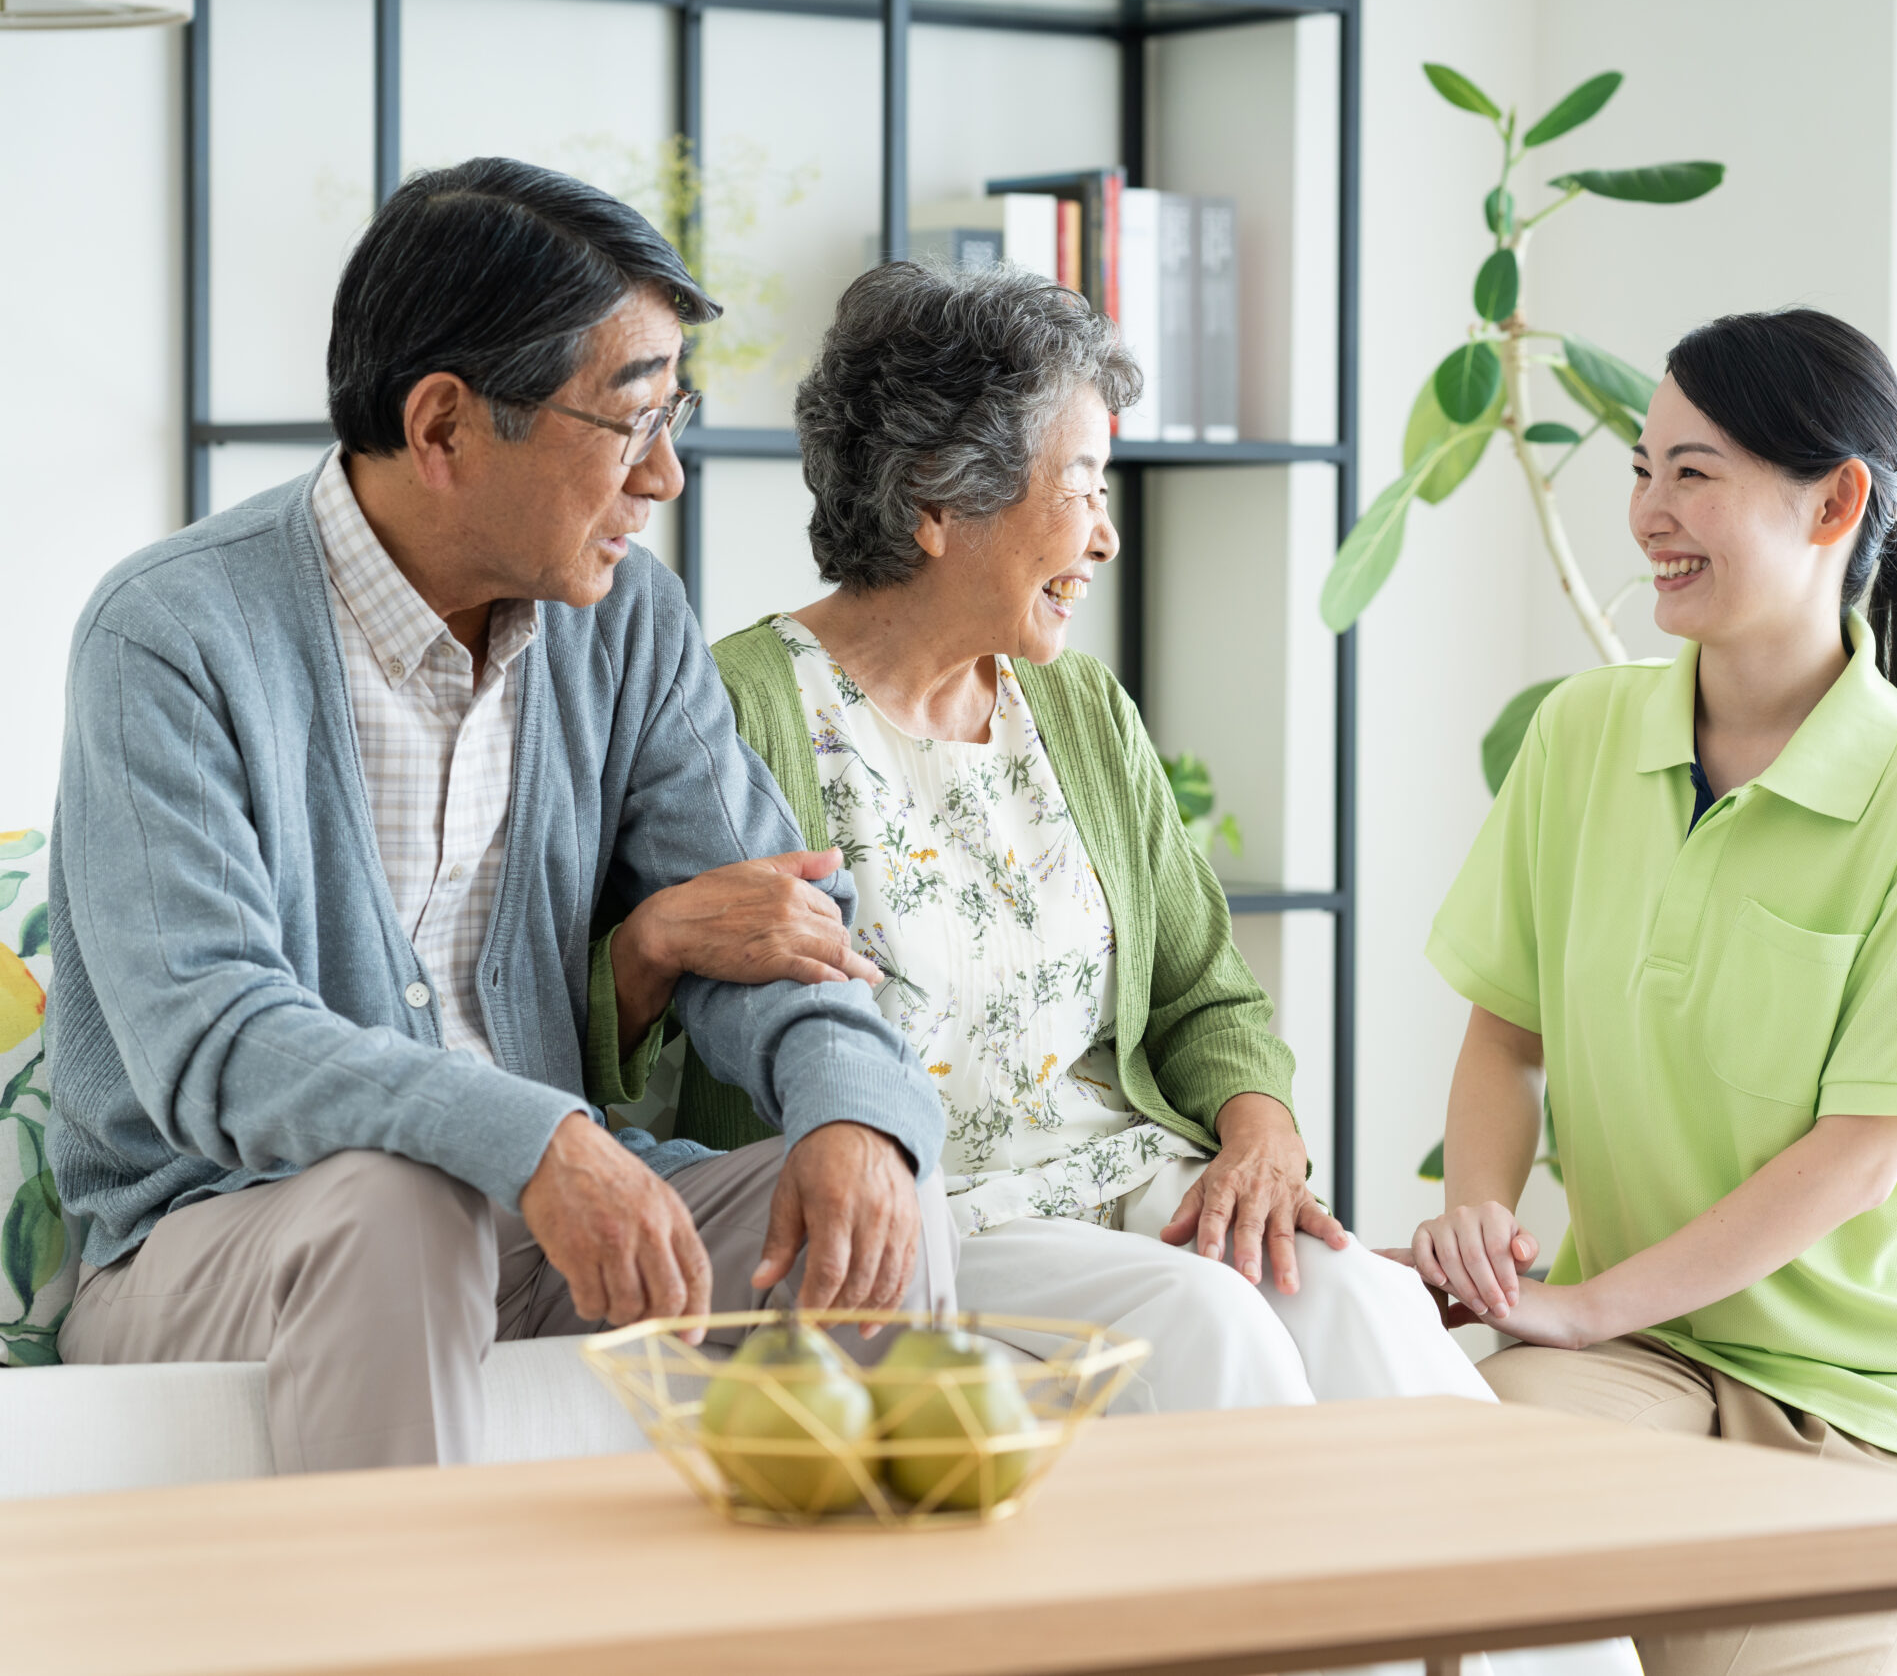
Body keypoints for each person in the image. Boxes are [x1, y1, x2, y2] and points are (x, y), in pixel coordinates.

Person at [49, 158, 956, 1474]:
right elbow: (217, 1035)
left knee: (880, 1210)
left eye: (677, 419)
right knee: (398, 1202)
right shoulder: (173, 634)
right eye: (632, 423)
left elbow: (778, 927)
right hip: (220, 1235)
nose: (669, 479)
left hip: (541, 1219)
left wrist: (853, 1114)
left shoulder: (627, 624)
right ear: (443, 428)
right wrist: (533, 1132)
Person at [592, 259, 1510, 1417]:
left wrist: (1261, 1138)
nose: (1109, 539)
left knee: (1361, 1298)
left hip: (1131, 1176)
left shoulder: (1077, 709)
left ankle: (1536, 1600)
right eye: (1083, 490)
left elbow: (1200, 997)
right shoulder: (735, 706)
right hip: (937, 1211)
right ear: (936, 504)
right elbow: (614, 1019)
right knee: (1205, 1320)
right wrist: (649, 949)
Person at [1408, 309, 1897, 1676]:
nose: (1647, 512)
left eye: (1694, 472)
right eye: (1641, 467)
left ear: (1836, 499)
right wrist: (1487, 1225)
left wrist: (1584, 1300)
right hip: (1648, 1357)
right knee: (1441, 1505)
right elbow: (1506, 1034)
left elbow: (1862, 1155)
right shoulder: (1581, 732)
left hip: (1870, 1392)